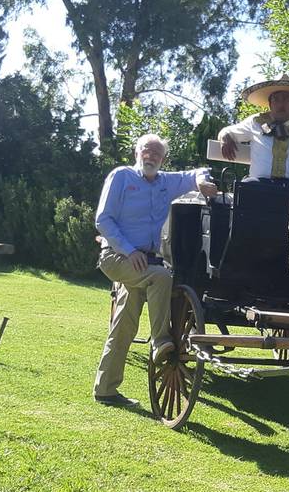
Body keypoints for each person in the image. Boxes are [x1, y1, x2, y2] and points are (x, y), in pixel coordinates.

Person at [93, 133, 217, 407]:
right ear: (137, 152)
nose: (151, 156)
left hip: (143, 264)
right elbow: (103, 219)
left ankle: (105, 389)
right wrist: (129, 250)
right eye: (147, 151)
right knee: (162, 277)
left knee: (124, 324)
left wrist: (201, 181)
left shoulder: (165, 182)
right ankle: (161, 342)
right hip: (117, 257)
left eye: (157, 154)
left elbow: (197, 171)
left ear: (163, 159)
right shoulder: (121, 177)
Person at [217, 74, 289, 185]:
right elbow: (228, 132)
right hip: (258, 187)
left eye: (286, 99)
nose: (281, 104)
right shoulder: (256, 122)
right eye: (276, 99)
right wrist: (225, 138)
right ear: (270, 104)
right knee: (247, 186)